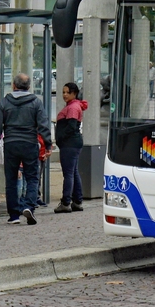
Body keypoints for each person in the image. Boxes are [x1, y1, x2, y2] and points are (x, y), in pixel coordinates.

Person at [0, 73, 52, 226]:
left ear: (13, 85)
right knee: (32, 177)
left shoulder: (4, 102)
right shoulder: (36, 102)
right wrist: (48, 144)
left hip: (11, 143)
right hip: (30, 143)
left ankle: (13, 215)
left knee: (11, 179)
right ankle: (29, 206)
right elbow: (43, 125)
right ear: (29, 87)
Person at [54, 82, 87, 213]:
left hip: (69, 144)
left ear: (74, 93)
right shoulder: (74, 106)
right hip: (73, 143)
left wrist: (61, 139)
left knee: (68, 173)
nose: (65, 95)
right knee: (73, 172)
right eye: (63, 92)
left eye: (68, 92)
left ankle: (66, 202)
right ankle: (77, 201)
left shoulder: (73, 107)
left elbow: (71, 127)